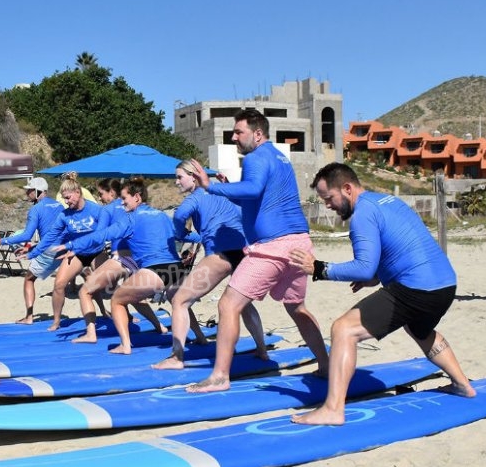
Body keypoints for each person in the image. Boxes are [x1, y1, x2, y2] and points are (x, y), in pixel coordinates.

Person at [289, 162, 476, 425]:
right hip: (444, 285)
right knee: (419, 329)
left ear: (346, 188)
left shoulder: (363, 215)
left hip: (416, 288)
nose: (328, 205)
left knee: (344, 329)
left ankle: (333, 409)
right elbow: (398, 246)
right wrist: (376, 278)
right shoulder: (387, 201)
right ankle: (463, 385)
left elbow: (364, 267)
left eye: (328, 198)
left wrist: (318, 268)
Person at [186, 109, 329, 392]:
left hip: (274, 247)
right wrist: (233, 189)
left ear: (258, 133)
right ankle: (326, 365)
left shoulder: (255, 157)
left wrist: (210, 187)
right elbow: (257, 201)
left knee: (228, 304)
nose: (234, 137)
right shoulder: (278, 157)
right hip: (299, 243)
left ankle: (219, 377)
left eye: (239, 132)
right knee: (296, 308)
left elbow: (251, 190)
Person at [153, 160, 268, 370]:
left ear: (194, 176)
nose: (176, 182)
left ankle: (176, 357)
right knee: (242, 304)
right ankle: (262, 350)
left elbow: (179, 216)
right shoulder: (223, 191)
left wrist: (180, 233)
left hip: (220, 255)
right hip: (245, 252)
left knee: (179, 299)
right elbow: (243, 213)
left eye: (180, 177)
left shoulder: (195, 197)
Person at [55, 177, 191, 354]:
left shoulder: (125, 217)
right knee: (178, 304)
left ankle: (121, 344)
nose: (122, 201)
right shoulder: (161, 215)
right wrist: (202, 241)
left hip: (138, 265)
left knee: (112, 298)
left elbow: (101, 235)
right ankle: (198, 338)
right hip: (175, 267)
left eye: (124, 197)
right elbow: (182, 235)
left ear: (136, 197)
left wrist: (73, 246)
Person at [67, 177, 168, 344]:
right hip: (138, 259)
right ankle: (159, 326)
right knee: (134, 297)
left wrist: (77, 247)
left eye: (101, 194)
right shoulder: (140, 210)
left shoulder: (108, 209)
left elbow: (99, 236)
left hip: (121, 258)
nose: (100, 198)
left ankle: (91, 334)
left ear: (112, 192)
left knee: (85, 291)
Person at [26, 172, 108, 331]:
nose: (66, 201)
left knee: (107, 283)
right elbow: (50, 236)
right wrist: (32, 252)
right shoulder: (64, 215)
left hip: (96, 251)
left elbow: (104, 233)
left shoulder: (96, 210)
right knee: (59, 284)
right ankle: (56, 321)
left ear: (78, 193)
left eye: (68, 197)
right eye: (64, 198)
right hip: (77, 252)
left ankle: (115, 313)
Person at [0, 177, 64, 324]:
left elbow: (26, 235)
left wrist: (1, 241)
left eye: (29, 191)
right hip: (64, 250)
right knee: (74, 281)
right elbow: (57, 230)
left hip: (48, 251)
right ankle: (102, 311)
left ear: (38, 191)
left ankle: (29, 317)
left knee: (29, 279)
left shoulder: (35, 209)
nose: (27, 193)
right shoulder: (59, 205)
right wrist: (34, 245)